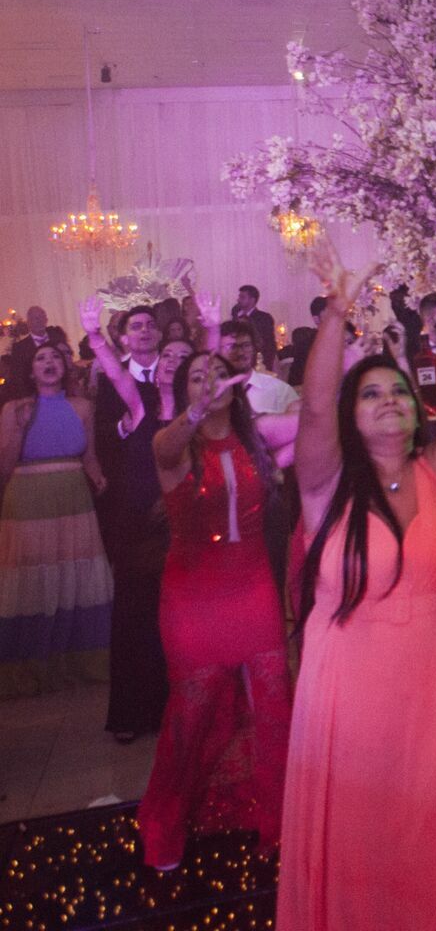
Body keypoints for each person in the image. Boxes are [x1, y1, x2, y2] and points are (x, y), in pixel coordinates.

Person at [277, 237, 436, 931]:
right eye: (372, 394)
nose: (388, 402)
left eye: (399, 392)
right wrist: (335, 316)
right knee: (364, 836)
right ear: (355, 416)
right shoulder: (327, 484)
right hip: (351, 690)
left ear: (419, 407)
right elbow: (316, 409)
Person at [136, 351, 297, 870]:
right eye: (196, 377)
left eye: (216, 372)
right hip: (193, 596)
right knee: (192, 714)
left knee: (274, 708)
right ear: (185, 392)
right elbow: (163, 446)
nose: (208, 382)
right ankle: (165, 823)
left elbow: (316, 421)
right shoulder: (176, 447)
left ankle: (279, 825)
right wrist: (195, 413)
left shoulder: (257, 436)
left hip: (253, 588)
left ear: (237, 380)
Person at [0, 340, 112, 696]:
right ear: (30, 370)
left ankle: (79, 660)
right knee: (32, 580)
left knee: (75, 577)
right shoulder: (13, 408)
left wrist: (97, 476)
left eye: (54, 357)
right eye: (40, 358)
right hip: (29, 499)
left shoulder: (83, 406)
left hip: (74, 498)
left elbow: (90, 456)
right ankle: (31, 664)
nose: (48, 362)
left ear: (65, 366)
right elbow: (4, 464)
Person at [91, 303, 172, 740]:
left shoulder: (176, 371)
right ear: (122, 338)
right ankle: (130, 713)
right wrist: (123, 427)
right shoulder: (109, 379)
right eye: (134, 326)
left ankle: (176, 707)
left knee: (176, 606)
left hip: (176, 505)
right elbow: (100, 435)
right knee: (134, 610)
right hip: (132, 505)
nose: (143, 331)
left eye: (149, 325)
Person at [220, 318, 299, 417]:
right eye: (232, 346)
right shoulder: (211, 394)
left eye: (246, 345)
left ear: (254, 348)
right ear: (218, 350)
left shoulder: (279, 391)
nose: (240, 352)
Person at [6, 306, 68, 390]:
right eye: (35, 318)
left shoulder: (57, 337)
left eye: (41, 317)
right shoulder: (19, 348)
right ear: (28, 323)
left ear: (46, 320)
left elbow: (68, 363)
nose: (39, 321)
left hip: (62, 389)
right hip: (34, 394)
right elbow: (17, 378)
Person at [231, 285, 278, 370]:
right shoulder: (236, 316)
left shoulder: (264, 318)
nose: (238, 300)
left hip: (258, 362)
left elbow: (269, 345)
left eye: (242, 297)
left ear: (252, 300)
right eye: (239, 297)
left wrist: (265, 364)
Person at [286, 296, 328, 388]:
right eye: (329, 314)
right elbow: (296, 381)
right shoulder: (306, 346)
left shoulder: (347, 339)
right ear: (316, 319)